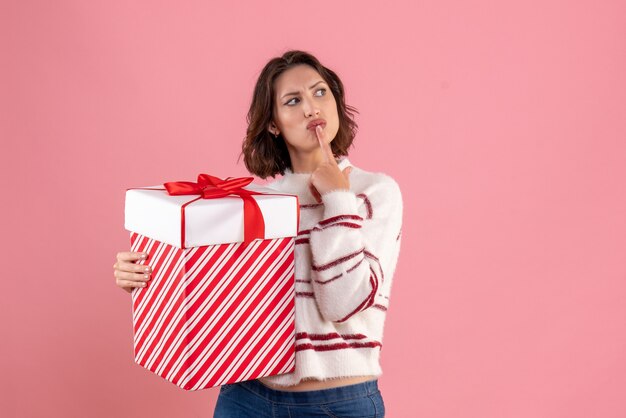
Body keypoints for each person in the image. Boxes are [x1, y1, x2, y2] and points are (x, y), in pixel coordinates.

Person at [113, 50, 403, 417]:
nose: (311, 108)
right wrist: (148, 278)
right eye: (293, 100)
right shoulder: (255, 205)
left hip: (338, 404)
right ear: (273, 124)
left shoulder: (375, 192)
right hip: (247, 395)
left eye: (320, 92)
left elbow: (343, 305)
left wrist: (337, 200)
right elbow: (218, 293)